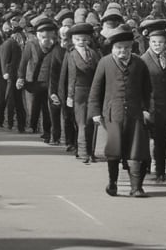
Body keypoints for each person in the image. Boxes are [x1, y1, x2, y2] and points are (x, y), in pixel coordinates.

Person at [88, 24, 152, 197]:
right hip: (113, 114)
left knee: (136, 150)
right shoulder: (104, 62)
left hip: (135, 113)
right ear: (113, 48)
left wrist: (147, 110)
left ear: (131, 48)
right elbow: (96, 89)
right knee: (114, 150)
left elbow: (148, 90)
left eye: (126, 48)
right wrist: (95, 112)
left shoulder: (139, 63)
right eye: (118, 48)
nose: (122, 51)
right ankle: (113, 183)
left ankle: (136, 187)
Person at [140, 21, 166, 183]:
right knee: (148, 140)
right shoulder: (143, 60)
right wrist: (142, 108)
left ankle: (161, 171)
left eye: (161, 42)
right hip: (149, 107)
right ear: (149, 43)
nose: (157, 45)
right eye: (154, 42)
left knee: (162, 140)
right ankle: (148, 169)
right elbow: (138, 87)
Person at [60, 22, 99, 164]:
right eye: (78, 39)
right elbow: (71, 76)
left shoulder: (94, 54)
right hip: (78, 91)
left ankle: (91, 151)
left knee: (91, 122)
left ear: (88, 39)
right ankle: (83, 152)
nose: (81, 42)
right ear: (73, 40)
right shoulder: (71, 54)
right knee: (82, 123)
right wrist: (69, 96)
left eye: (84, 39)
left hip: (92, 90)